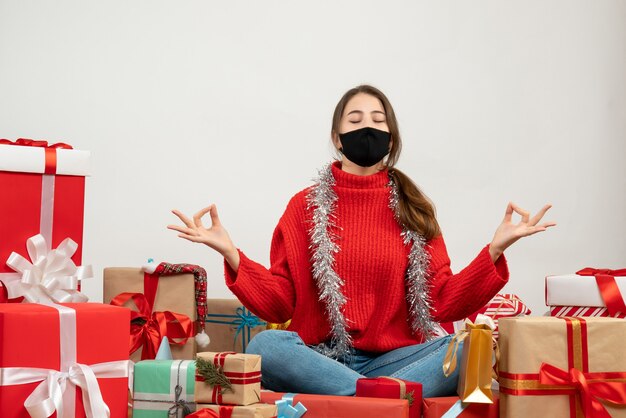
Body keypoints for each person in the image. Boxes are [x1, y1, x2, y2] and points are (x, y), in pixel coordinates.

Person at [168, 84, 555, 397]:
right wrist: (232, 255)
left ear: (390, 137)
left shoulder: (414, 208)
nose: (366, 128)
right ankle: (380, 401)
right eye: (355, 120)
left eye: (377, 120)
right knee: (267, 349)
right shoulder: (303, 207)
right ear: (337, 138)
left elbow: (441, 301)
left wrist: (495, 250)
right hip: (320, 358)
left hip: (396, 359)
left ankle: (363, 398)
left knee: (467, 347)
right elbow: (279, 303)